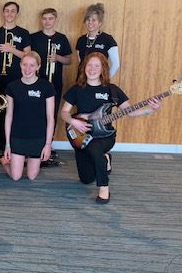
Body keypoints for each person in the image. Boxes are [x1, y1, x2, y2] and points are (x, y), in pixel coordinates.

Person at [60, 53, 161, 204]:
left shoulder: (112, 90)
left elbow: (130, 112)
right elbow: (64, 113)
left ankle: (104, 189)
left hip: (104, 136)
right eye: (89, 65)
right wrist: (73, 121)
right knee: (86, 179)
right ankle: (105, 158)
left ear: (103, 69)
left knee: (95, 149)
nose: (92, 69)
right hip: (81, 135)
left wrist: (150, 110)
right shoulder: (76, 89)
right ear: (84, 67)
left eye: (97, 66)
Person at [2, 52, 55, 181]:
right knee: (16, 177)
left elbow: (50, 118)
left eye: (32, 65)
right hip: (18, 136)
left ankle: (23, 160)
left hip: (38, 137)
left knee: (31, 176)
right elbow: (9, 116)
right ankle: (3, 160)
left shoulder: (46, 87)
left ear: (38, 67)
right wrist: (8, 144)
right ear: (20, 65)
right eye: (24, 64)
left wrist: (48, 144)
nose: (27, 69)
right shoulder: (12, 87)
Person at [0, 1, 31, 151]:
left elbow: (28, 56)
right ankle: (2, 143)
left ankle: (15, 143)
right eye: (7, 10)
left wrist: (11, 49)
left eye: (13, 11)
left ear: (17, 14)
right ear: (3, 12)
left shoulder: (23, 33)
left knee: (16, 111)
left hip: (17, 79)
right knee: (0, 111)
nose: (9, 13)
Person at [29, 8, 72, 127]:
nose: (47, 21)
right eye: (44, 18)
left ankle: (49, 137)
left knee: (52, 113)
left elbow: (69, 60)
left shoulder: (61, 38)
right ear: (41, 20)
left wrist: (58, 58)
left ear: (55, 19)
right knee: (35, 112)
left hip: (55, 82)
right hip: (36, 81)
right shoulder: (34, 37)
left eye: (50, 18)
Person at [76, 3, 119, 77]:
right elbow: (80, 63)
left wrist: (104, 79)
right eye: (88, 19)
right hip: (81, 80)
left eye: (93, 20)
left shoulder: (108, 39)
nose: (90, 22)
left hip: (99, 81)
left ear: (100, 23)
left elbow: (116, 64)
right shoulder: (81, 40)